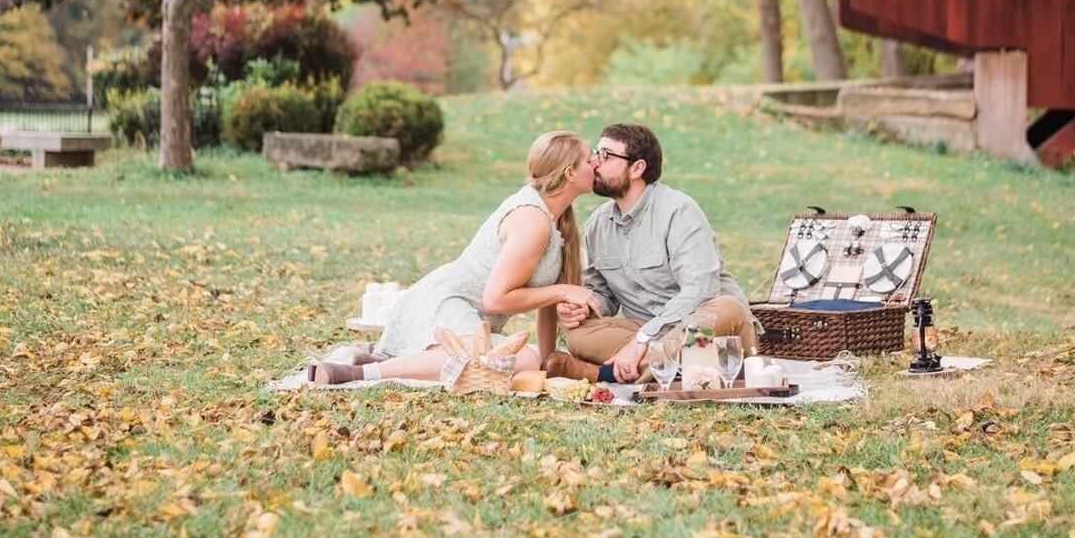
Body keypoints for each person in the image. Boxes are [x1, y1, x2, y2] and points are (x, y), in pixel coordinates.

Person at [311, 130, 602, 385]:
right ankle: (358, 374)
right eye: (589, 159)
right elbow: (495, 300)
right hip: (447, 302)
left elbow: (546, 301)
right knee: (522, 360)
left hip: (471, 319)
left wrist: (547, 363)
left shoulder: (559, 221)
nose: (596, 164)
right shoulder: (533, 219)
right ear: (570, 173)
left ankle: (380, 361)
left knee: (530, 360)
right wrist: (564, 290)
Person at [544, 122, 757, 383]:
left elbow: (702, 289)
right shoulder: (597, 225)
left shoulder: (678, 211)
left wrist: (642, 340)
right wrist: (585, 308)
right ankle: (681, 367)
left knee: (728, 308)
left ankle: (603, 373)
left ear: (637, 168)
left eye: (606, 155)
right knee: (577, 334)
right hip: (653, 331)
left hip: (711, 330)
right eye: (596, 154)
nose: (595, 163)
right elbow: (605, 296)